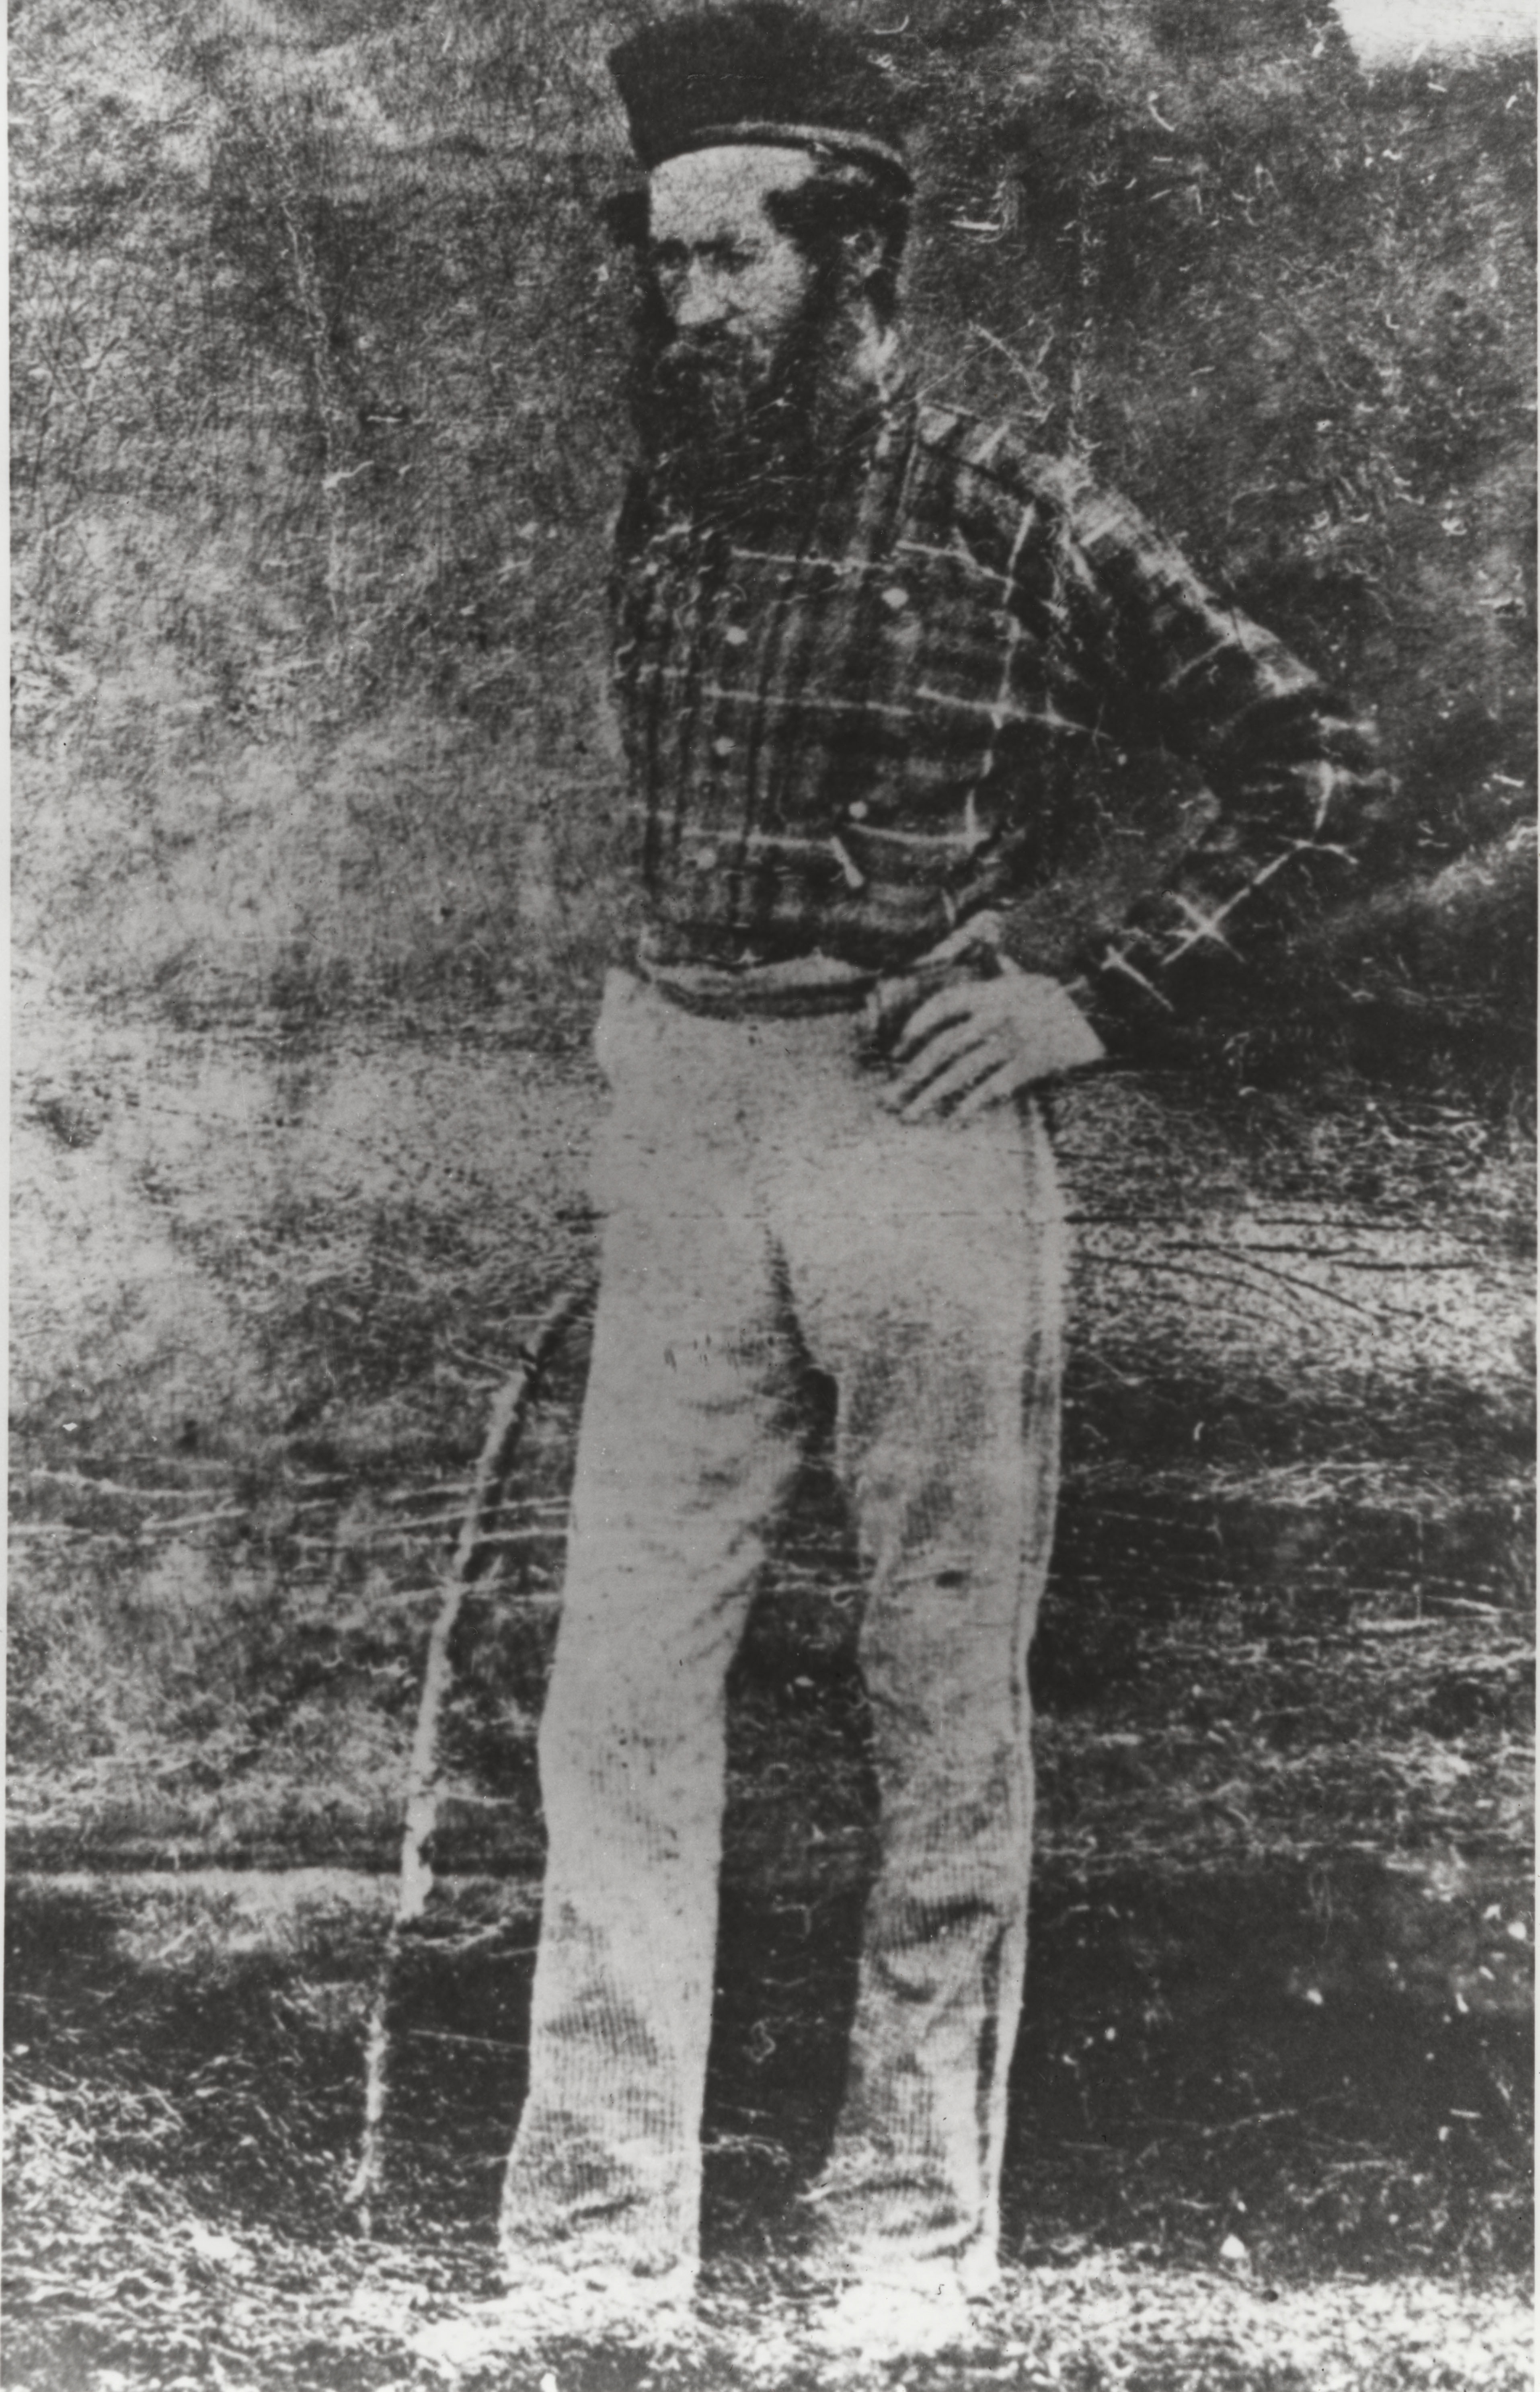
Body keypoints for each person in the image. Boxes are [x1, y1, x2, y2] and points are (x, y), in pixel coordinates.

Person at [423, 1, 1386, 2365]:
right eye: (664, 264)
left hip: (915, 1132)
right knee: (617, 1692)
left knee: (938, 1688)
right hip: (686, 1120)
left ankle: (902, 2247)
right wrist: (655, 1030)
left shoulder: (1016, 506)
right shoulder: (681, 482)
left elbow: (1309, 767)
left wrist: (1091, 995)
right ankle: (591, 2255)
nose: (687, 308)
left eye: (733, 262)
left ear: (858, 258)